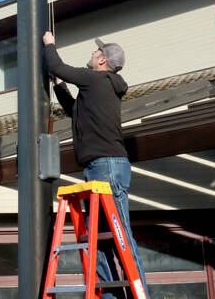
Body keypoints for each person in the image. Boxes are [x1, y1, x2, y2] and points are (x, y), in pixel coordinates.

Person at [42, 31, 150, 299]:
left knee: (121, 236)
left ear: (102, 61)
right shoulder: (99, 87)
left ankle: (140, 294)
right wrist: (58, 86)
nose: (91, 54)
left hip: (108, 166)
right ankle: (112, 296)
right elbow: (75, 110)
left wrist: (49, 44)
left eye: (95, 52)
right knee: (98, 239)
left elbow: (57, 66)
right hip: (99, 168)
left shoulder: (97, 79)